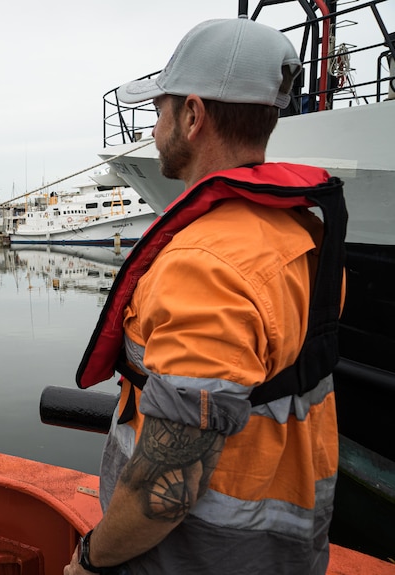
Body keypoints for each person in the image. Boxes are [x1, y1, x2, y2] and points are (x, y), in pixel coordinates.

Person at [67, 16, 347, 575]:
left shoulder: (204, 267)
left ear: (192, 116)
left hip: (193, 557)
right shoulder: (303, 234)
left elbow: (164, 492)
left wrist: (89, 560)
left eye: (159, 109)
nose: (154, 125)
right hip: (289, 551)